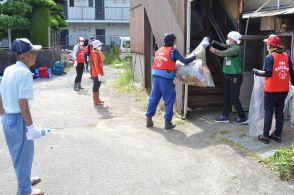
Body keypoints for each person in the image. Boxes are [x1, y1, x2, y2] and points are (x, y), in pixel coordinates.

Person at [0, 38, 44, 195]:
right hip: (18, 120)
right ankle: (25, 191)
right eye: (33, 53)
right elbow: (22, 103)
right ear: (26, 56)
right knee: (24, 155)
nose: (36, 55)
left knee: (17, 155)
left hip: (7, 118)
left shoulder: (8, 69)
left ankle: (25, 180)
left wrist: (2, 115)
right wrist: (31, 127)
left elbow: (0, 93)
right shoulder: (25, 73)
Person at [145, 33, 197, 130]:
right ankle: (167, 123)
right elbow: (185, 61)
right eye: (175, 41)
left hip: (156, 79)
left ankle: (148, 120)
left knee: (153, 99)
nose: (175, 43)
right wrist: (195, 56)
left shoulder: (159, 50)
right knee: (169, 100)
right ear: (173, 41)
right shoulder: (173, 51)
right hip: (166, 80)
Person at [252, 35, 294, 144]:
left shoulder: (270, 57)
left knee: (269, 112)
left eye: (267, 44)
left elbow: (268, 73)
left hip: (271, 90)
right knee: (279, 112)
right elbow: (292, 72)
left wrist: (256, 72)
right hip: (284, 89)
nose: (266, 46)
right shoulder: (286, 56)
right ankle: (277, 135)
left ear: (270, 45)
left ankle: (265, 136)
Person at [208, 31, 247, 124]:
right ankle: (225, 116)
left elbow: (221, 53)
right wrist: (214, 42)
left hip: (235, 77)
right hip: (228, 76)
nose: (227, 40)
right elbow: (223, 45)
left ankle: (243, 117)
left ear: (234, 40)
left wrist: (209, 47)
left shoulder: (235, 49)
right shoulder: (231, 46)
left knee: (234, 99)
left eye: (229, 38)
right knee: (226, 96)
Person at [90, 40, 105, 105]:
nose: (101, 46)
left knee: (97, 87)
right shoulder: (95, 54)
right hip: (96, 74)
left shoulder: (97, 52)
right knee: (95, 87)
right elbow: (96, 65)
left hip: (98, 73)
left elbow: (102, 60)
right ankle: (95, 101)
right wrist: (99, 74)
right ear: (96, 46)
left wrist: (101, 73)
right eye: (99, 45)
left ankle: (98, 99)